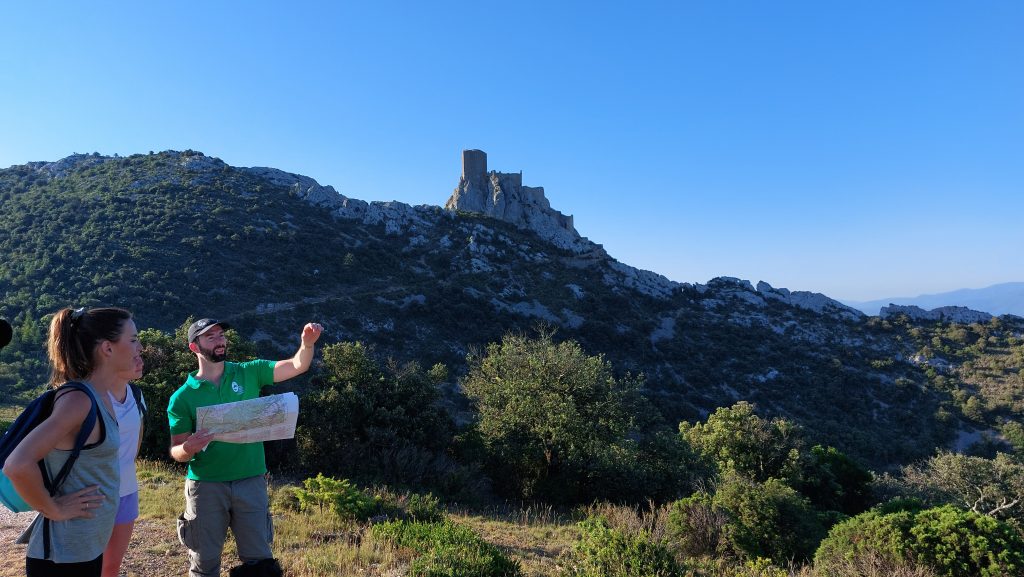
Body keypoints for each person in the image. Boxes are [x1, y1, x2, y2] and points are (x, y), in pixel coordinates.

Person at [167, 318, 323, 577]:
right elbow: (176, 452)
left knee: (260, 563)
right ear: (194, 347)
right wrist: (189, 447)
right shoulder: (182, 397)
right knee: (204, 564)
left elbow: (297, 365)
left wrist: (306, 344)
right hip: (206, 486)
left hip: (251, 480)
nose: (220, 341)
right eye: (210, 337)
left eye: (220, 335)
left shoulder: (250, 371)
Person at [4, 307, 143, 577]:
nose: (140, 347)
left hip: (85, 547)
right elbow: (17, 465)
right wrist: (52, 508)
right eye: (134, 339)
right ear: (108, 349)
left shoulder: (101, 397)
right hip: (63, 556)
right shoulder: (79, 400)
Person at [101, 366, 146, 577]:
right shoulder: (89, 394)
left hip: (127, 490)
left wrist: (124, 467)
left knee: (111, 567)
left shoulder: (136, 394)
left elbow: (138, 434)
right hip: (95, 493)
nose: (140, 354)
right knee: (86, 565)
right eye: (132, 344)